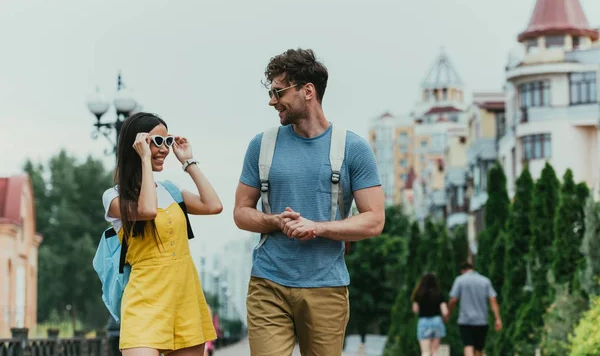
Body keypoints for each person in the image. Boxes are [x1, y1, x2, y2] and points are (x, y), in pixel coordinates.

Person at [233, 48, 385, 356]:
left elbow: (374, 220)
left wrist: (317, 227)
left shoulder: (353, 149)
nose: (272, 100)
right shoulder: (261, 146)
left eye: (278, 92)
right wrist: (273, 221)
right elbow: (241, 212)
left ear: (308, 91)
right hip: (268, 283)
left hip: (326, 286)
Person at [102, 112, 223, 356]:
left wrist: (188, 162)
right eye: (157, 141)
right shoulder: (114, 197)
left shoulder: (171, 191)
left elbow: (213, 206)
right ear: (136, 145)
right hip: (144, 302)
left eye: (167, 141)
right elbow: (147, 210)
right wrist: (145, 160)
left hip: (184, 297)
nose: (165, 149)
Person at [447, 262, 503, 356]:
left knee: (468, 345)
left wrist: (448, 313)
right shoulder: (485, 281)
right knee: (479, 348)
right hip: (481, 320)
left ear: (462, 271)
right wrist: (497, 318)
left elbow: (453, 300)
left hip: (465, 320)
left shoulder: (460, 280)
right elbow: (493, 300)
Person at [411, 272, 449, 356]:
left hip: (424, 321)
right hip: (437, 321)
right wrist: (445, 318)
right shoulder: (439, 294)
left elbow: (415, 309)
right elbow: (445, 311)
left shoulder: (418, 294)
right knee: (435, 351)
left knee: (425, 351)